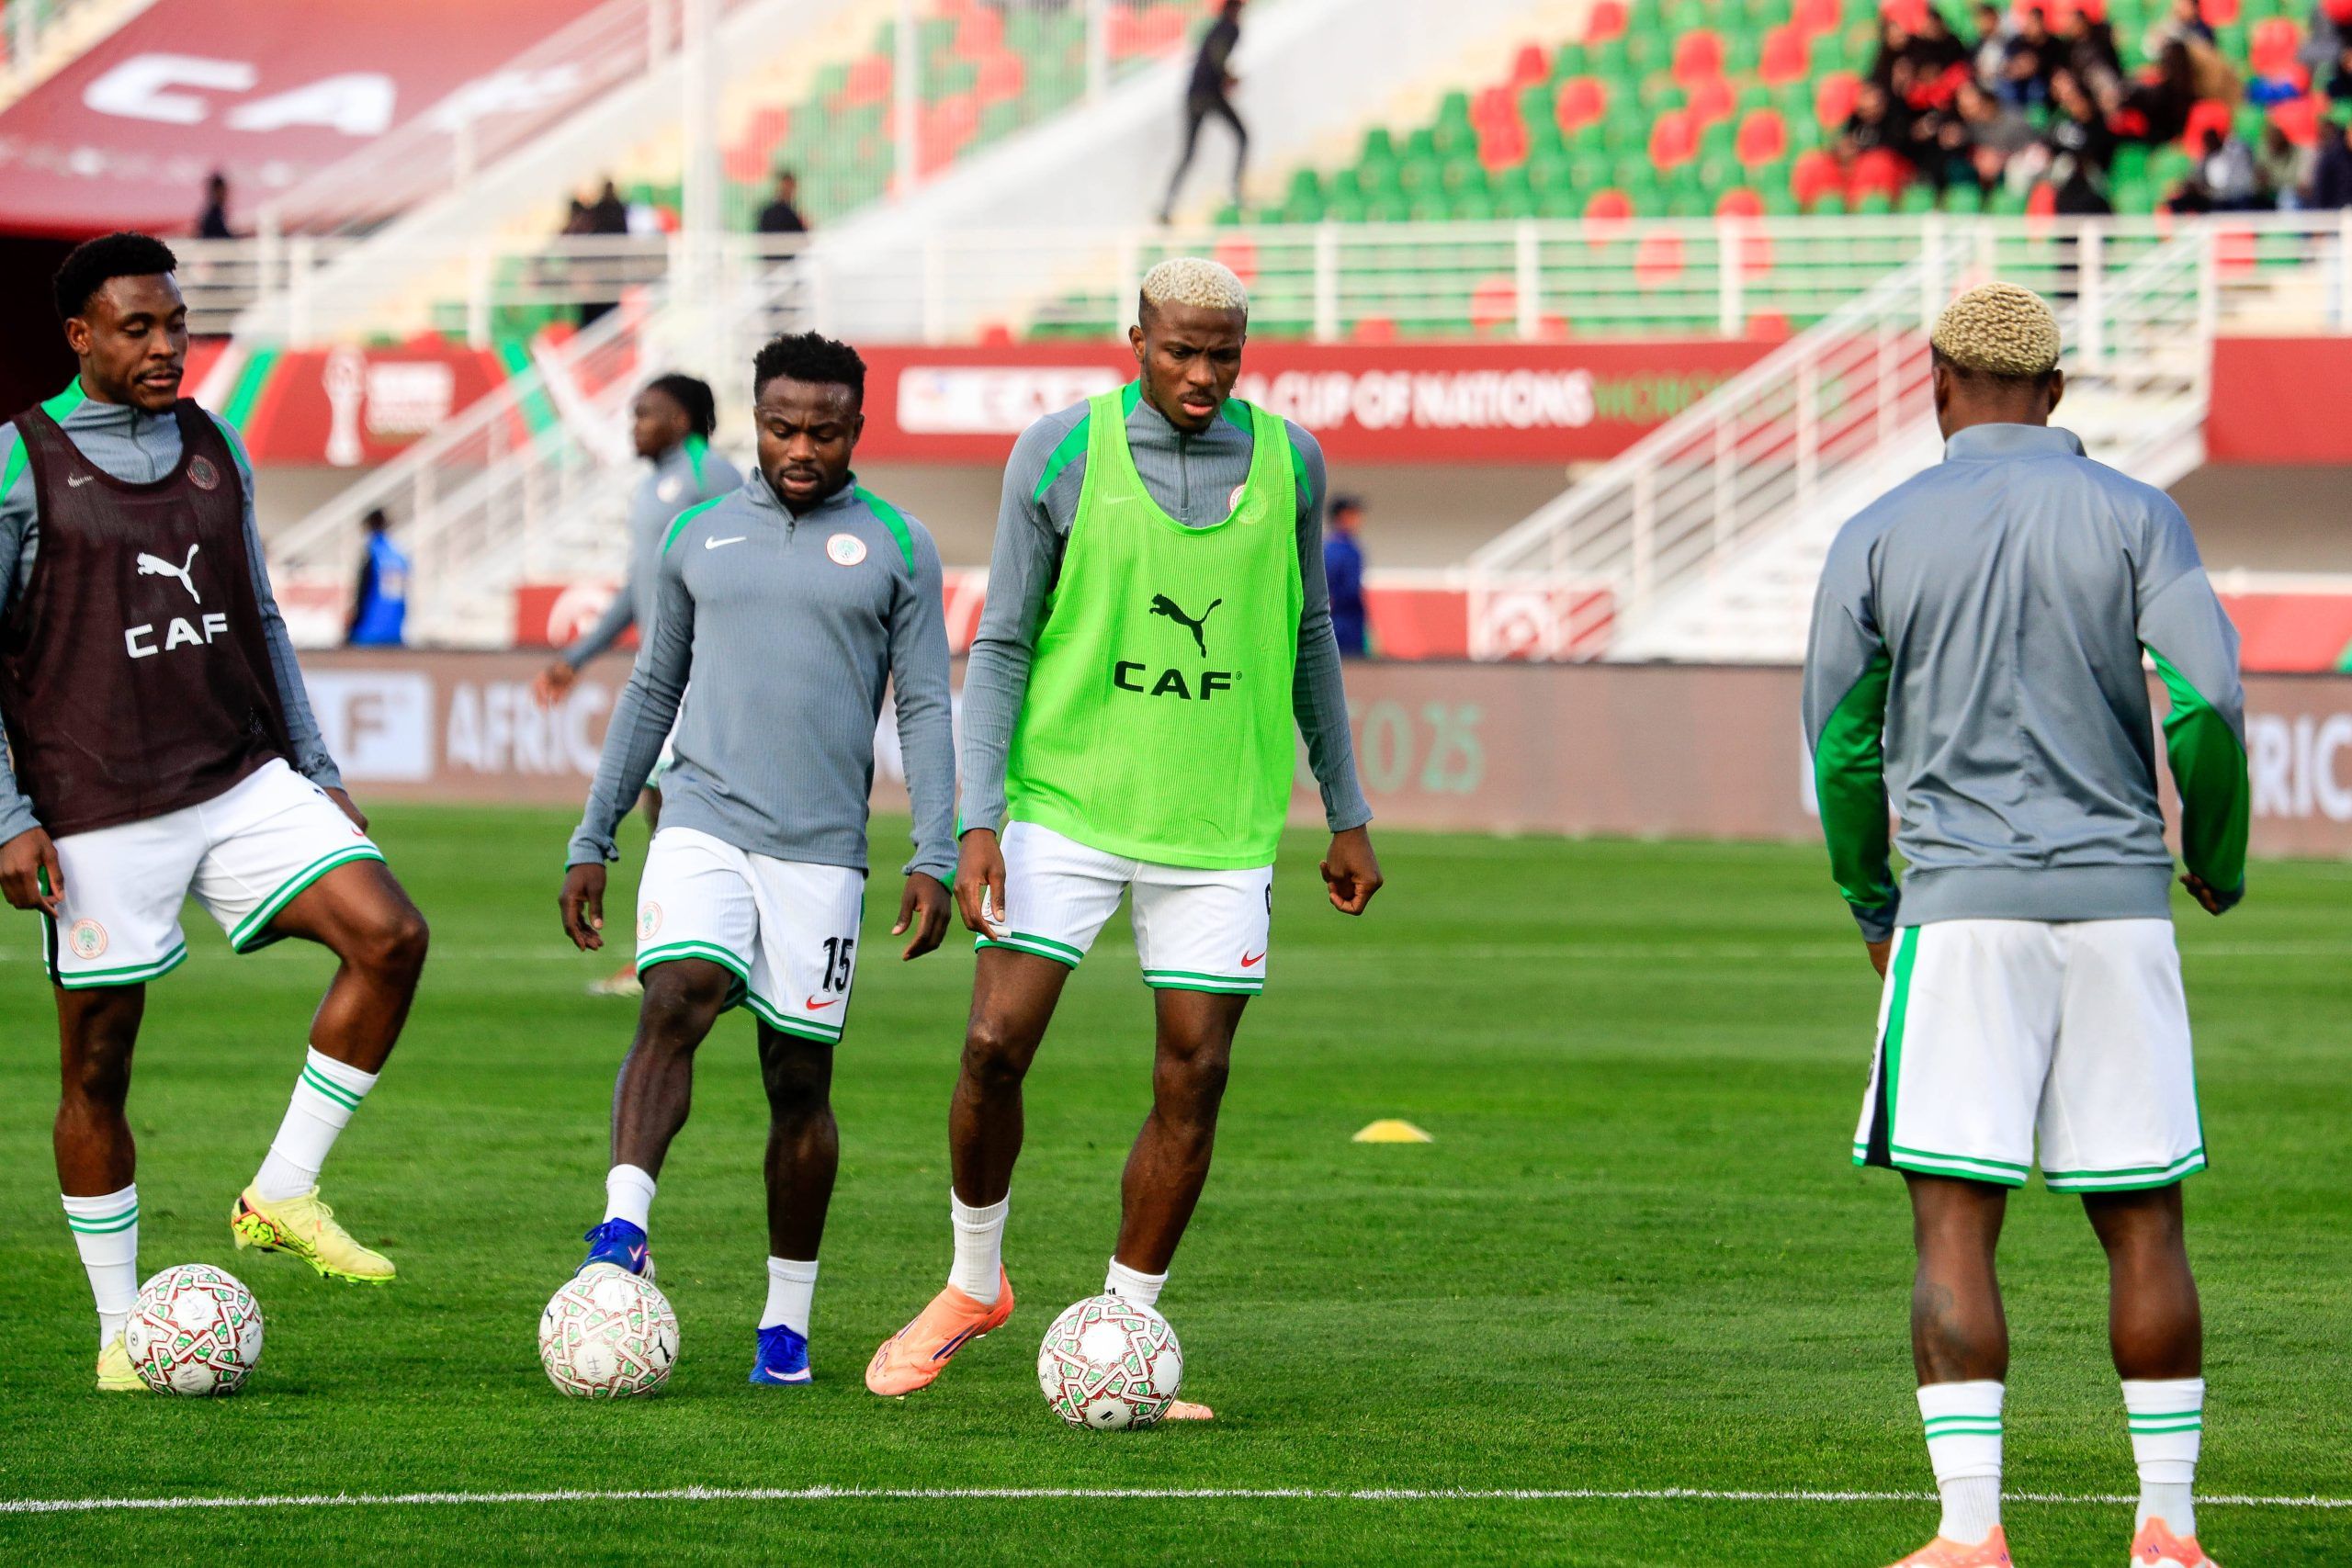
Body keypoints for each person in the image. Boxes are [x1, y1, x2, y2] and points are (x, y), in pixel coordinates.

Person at [864, 257, 1383, 1415]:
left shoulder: (1291, 460)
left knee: (1193, 1076)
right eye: (1179, 350)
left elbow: (1309, 640)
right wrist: (978, 817)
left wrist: (1345, 813)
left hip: (1220, 822)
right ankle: (973, 1282)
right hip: (1064, 805)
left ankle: (1124, 1330)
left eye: (1223, 355)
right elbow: (998, 645)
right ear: (1134, 338)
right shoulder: (1057, 451)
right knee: (994, 1045)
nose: (1201, 375)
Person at [1804, 283, 2245, 1568]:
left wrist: (1869, 895)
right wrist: (2207, 854)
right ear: (2057, 392)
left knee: (1955, 1220)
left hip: (1959, 911)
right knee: (2146, 1218)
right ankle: (2168, 1525)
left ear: (1934, 380)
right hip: (2119, 904)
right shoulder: (2137, 514)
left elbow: (1840, 745)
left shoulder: (1879, 529)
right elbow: (2207, 703)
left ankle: (1971, 1532)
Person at [0, 233, 431, 1390]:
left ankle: (282, 1189)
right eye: (136, 328)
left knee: (390, 936)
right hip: (93, 808)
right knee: (98, 1069)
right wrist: (7, 816)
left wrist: (316, 763)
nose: (164, 346)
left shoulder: (213, 447)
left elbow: (264, 620)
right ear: (79, 336)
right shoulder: (18, 461)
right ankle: (116, 1333)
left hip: (239, 776)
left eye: (176, 325)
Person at [559, 332, 955, 1388]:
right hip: (700, 817)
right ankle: (622, 1227)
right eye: (781, 426)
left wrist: (936, 849)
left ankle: (785, 1323)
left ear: (854, 430)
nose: (800, 447)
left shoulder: (899, 547)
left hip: (822, 852)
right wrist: (591, 836)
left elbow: (921, 703)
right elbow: (652, 690)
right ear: (754, 419)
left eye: (823, 430)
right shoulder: (696, 532)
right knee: (678, 995)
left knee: (796, 1081)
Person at [534, 374, 740, 996]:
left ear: (680, 420)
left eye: (645, 413)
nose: (634, 425)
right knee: (661, 809)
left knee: (673, 810)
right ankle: (670, 951)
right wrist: (578, 655)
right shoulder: (656, 488)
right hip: (666, 676)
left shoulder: (710, 476)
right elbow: (639, 587)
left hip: (705, 674)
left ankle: (678, 952)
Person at [1158, 0, 1250, 222]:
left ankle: (1166, 207)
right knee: (1242, 137)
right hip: (1208, 94)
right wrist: (1228, 78)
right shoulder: (1230, 29)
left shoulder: (1216, 27)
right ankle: (1234, 193)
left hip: (1194, 95)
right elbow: (1217, 57)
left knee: (1188, 154)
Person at [345, 508, 408, 647]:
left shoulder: (372, 554)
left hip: (368, 633)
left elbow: (362, 594)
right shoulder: (399, 555)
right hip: (394, 632)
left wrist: (351, 628)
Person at [1324, 492, 1367, 657]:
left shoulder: (1325, 548)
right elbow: (1352, 591)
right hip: (1348, 626)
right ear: (1343, 516)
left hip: (1328, 625)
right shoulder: (1350, 551)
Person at [755, 169, 808, 236]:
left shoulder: (792, 214)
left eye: (790, 187)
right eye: (786, 186)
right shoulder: (769, 213)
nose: (788, 190)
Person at [195, 173, 233, 241]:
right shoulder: (212, 214)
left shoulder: (217, 212)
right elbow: (224, 237)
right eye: (222, 190)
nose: (225, 194)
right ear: (215, 191)